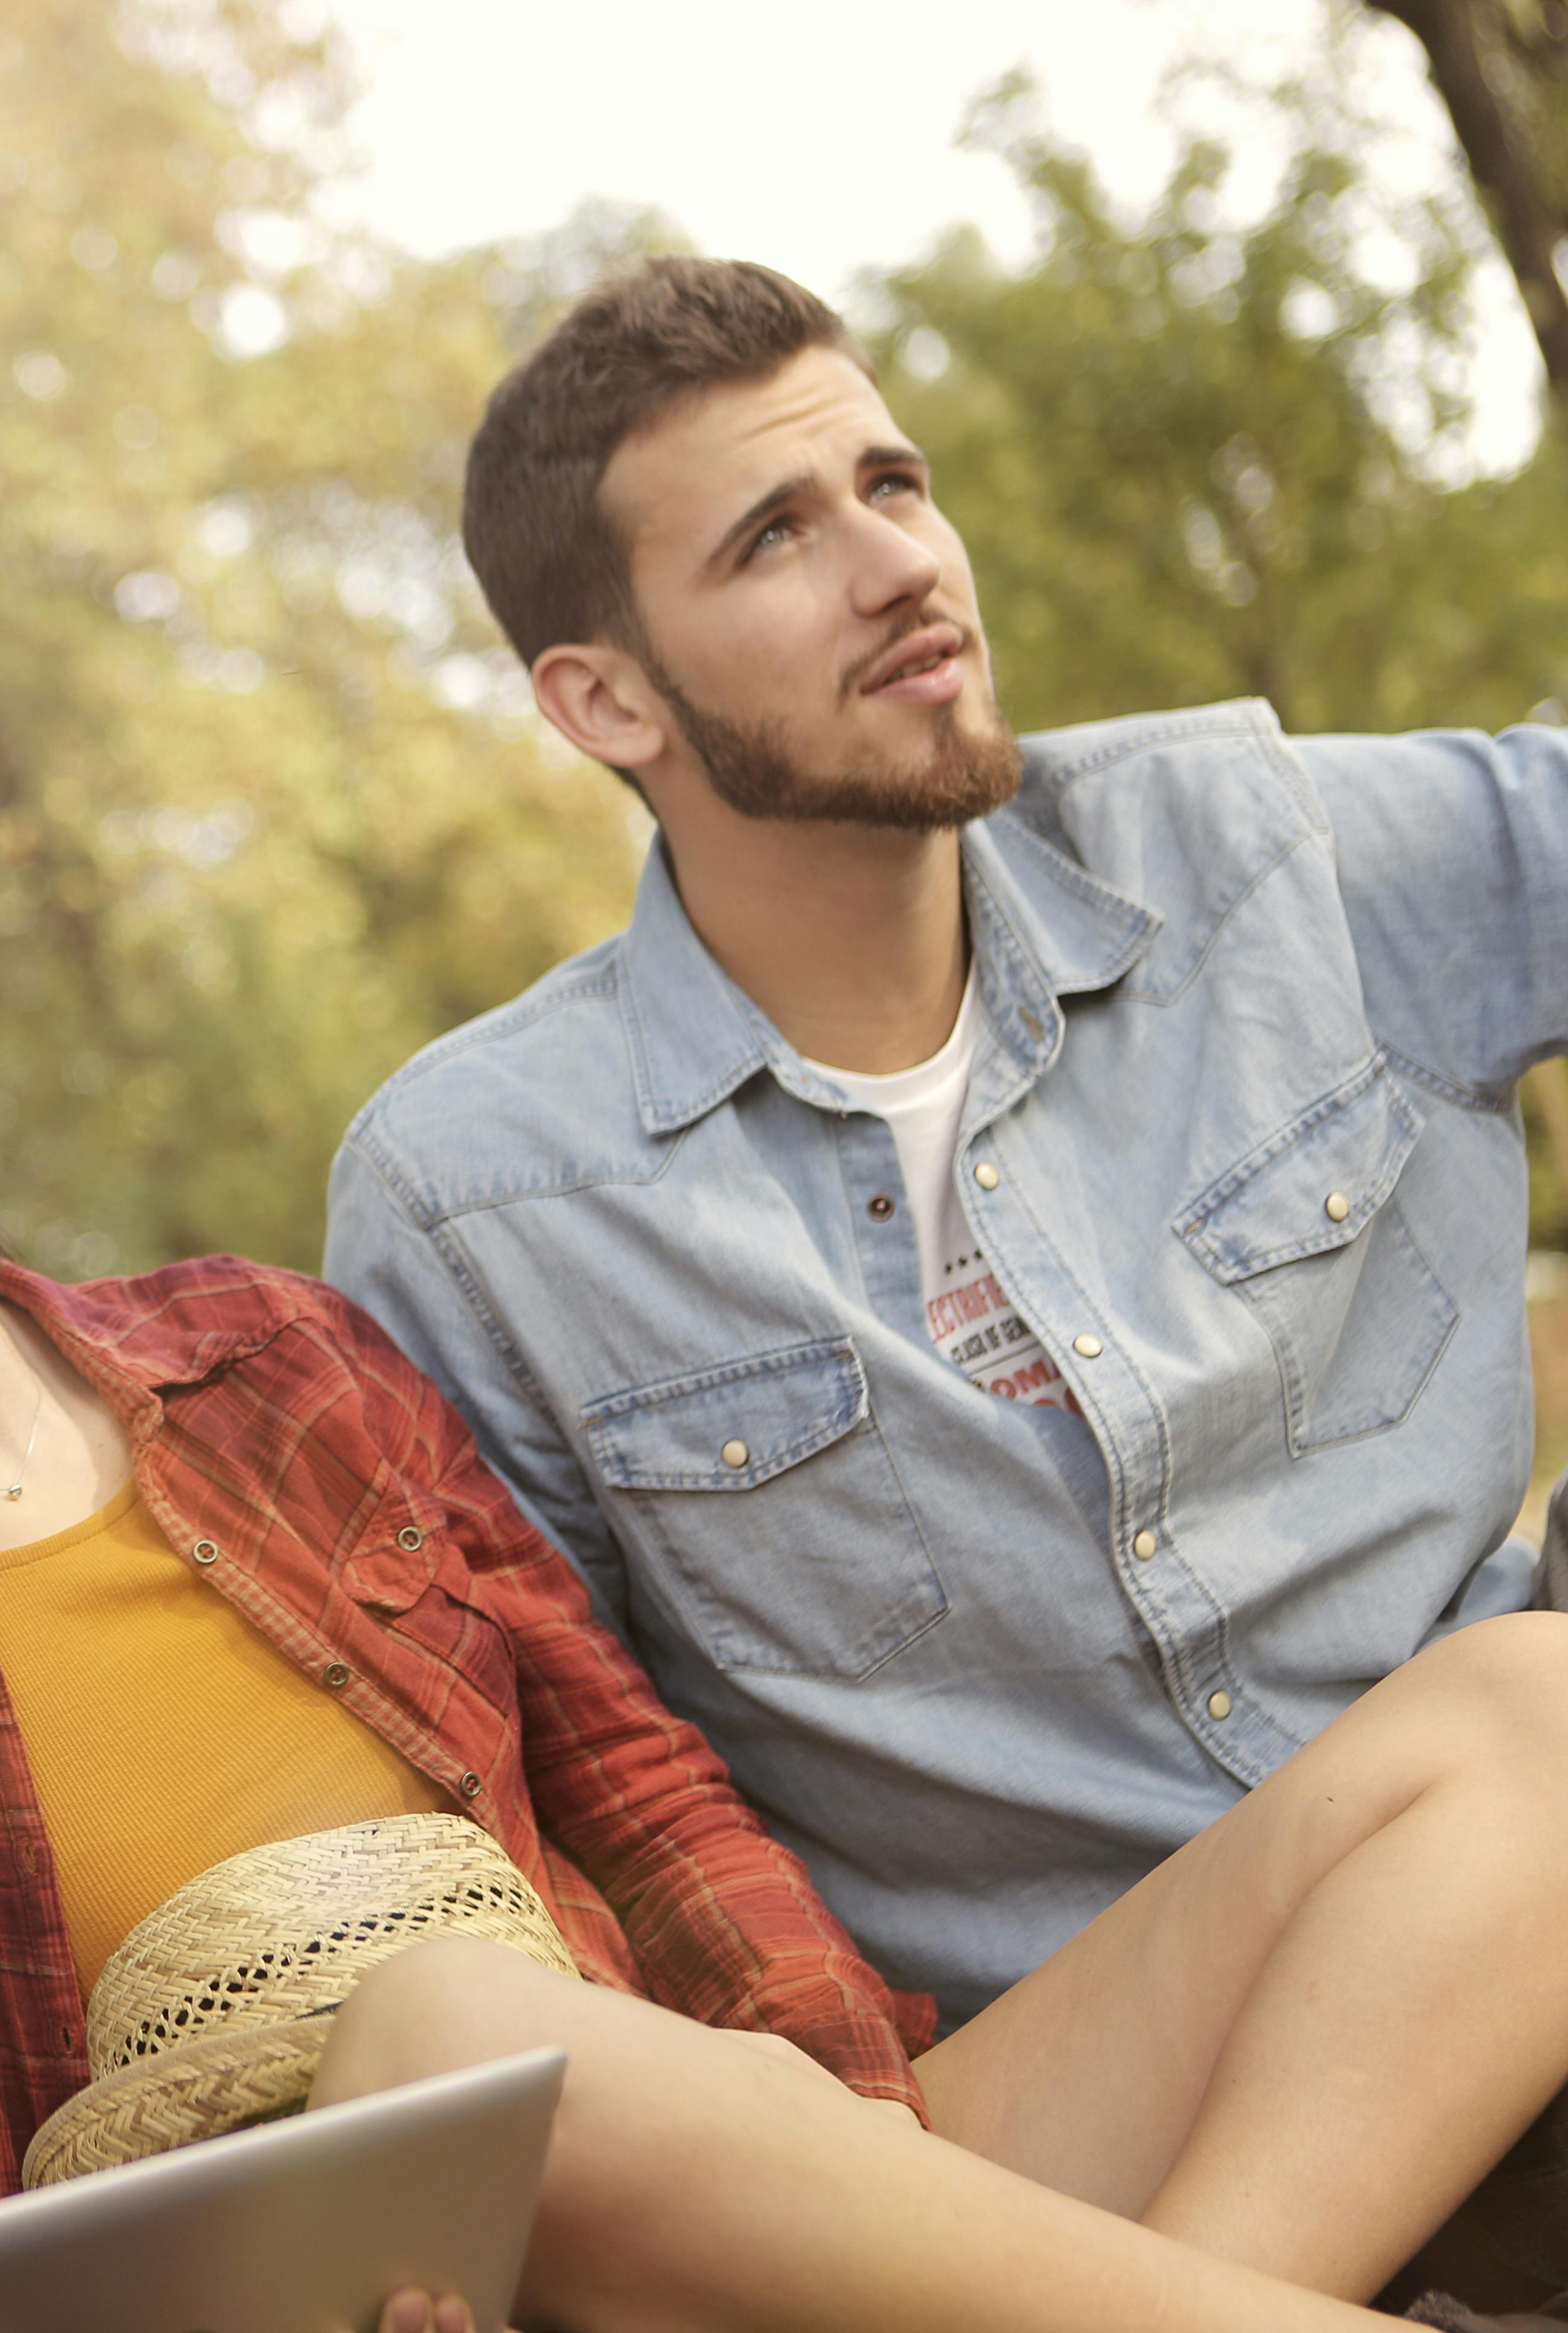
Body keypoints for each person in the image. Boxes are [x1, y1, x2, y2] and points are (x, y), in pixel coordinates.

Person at [0, 820, 1568, 2331]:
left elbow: (644, 1790)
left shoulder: (268, 1353)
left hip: (752, 2173)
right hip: (384, 2283)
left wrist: (842, 2137)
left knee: (1525, 1714)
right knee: (452, 2030)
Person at [317, 256, 1568, 2043]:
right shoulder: (478, 1204)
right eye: (773, 538)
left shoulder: (1267, 854)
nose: (901, 564)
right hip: (1090, 2086)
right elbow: (555, 1807)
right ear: (607, 704)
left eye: (892, 486)